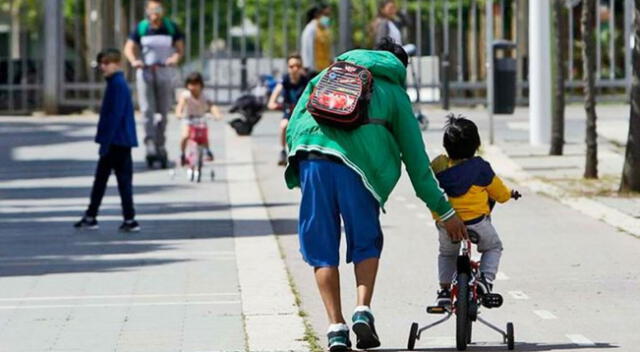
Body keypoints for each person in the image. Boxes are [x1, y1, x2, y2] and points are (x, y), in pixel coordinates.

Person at [284, 38, 467, 351]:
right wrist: (445, 211)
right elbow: (416, 161)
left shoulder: (327, 73)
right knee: (365, 241)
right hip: (358, 170)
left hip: (311, 158)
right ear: (399, 66)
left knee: (321, 249)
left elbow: (293, 124)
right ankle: (362, 310)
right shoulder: (394, 93)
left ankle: (335, 328)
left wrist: (301, 168)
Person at [430, 114, 521, 307]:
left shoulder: (439, 165)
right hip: (476, 222)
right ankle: (485, 281)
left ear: (446, 146)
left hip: (446, 222)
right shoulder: (481, 168)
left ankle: (444, 291)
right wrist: (510, 194)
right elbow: (499, 193)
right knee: (493, 247)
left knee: (447, 254)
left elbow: (428, 182)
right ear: (476, 145)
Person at [74, 49, 140, 233]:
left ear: (117, 63)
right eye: (101, 63)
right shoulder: (116, 83)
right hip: (119, 140)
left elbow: (115, 115)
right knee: (111, 180)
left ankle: (99, 216)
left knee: (109, 180)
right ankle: (121, 217)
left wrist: (106, 142)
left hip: (116, 141)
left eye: (106, 63)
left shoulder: (117, 85)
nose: (103, 67)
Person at [123, 0, 184, 165]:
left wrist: (174, 58)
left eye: (157, 8)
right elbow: (128, 48)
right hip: (146, 72)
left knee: (163, 111)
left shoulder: (170, 27)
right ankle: (149, 142)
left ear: (162, 10)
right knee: (147, 110)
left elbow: (179, 49)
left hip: (164, 72)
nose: (154, 12)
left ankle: (160, 144)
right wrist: (135, 61)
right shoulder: (142, 28)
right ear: (147, 10)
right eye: (151, 9)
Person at [267, 54, 310, 166]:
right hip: (289, 113)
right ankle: (283, 151)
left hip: (302, 114)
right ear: (288, 68)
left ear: (301, 67)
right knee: (283, 125)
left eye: (298, 66)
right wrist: (276, 105)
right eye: (292, 66)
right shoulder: (284, 81)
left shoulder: (306, 82)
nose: (295, 69)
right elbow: (271, 102)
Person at [175, 72, 222, 166]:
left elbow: (212, 106)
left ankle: (207, 151)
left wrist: (217, 114)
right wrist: (179, 113)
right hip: (188, 118)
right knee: (185, 135)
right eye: (191, 84)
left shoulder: (205, 95)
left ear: (200, 85)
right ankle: (182, 153)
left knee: (204, 136)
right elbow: (180, 105)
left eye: (195, 84)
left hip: (200, 118)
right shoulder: (186, 95)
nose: (193, 87)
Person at [300, 2, 333, 77]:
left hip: (325, 68)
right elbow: (306, 48)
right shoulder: (311, 28)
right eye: (326, 15)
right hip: (314, 69)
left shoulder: (325, 29)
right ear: (317, 14)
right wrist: (306, 66)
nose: (328, 17)